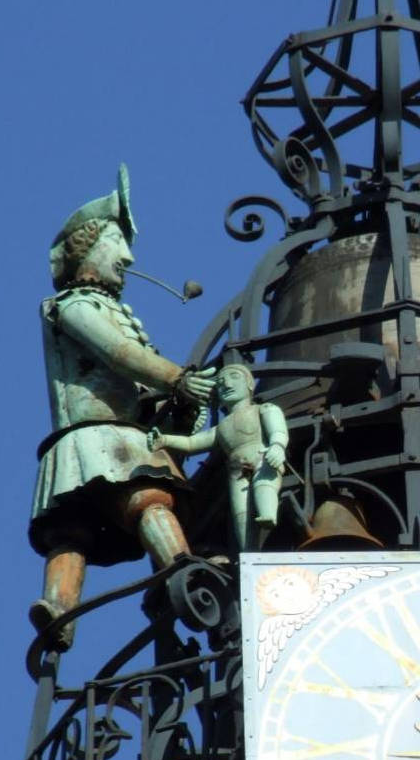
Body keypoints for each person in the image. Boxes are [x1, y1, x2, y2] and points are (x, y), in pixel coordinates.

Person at [28, 165, 215, 648]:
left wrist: (173, 404)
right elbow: (117, 352)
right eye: (117, 241)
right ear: (87, 248)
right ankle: (67, 608)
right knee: (127, 507)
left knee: (82, 528)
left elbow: (138, 389)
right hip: (98, 439)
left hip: (121, 436)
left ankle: (174, 571)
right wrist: (177, 378)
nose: (128, 256)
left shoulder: (109, 305)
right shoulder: (70, 306)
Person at [148, 361, 288, 550]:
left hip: (262, 457)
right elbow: (191, 444)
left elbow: (277, 430)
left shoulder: (264, 409)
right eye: (221, 382)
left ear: (249, 384)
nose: (227, 385)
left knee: (264, 483)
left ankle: (268, 512)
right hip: (236, 470)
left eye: (234, 378)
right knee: (240, 511)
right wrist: (164, 439)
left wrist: (277, 447)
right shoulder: (221, 428)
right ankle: (248, 551)